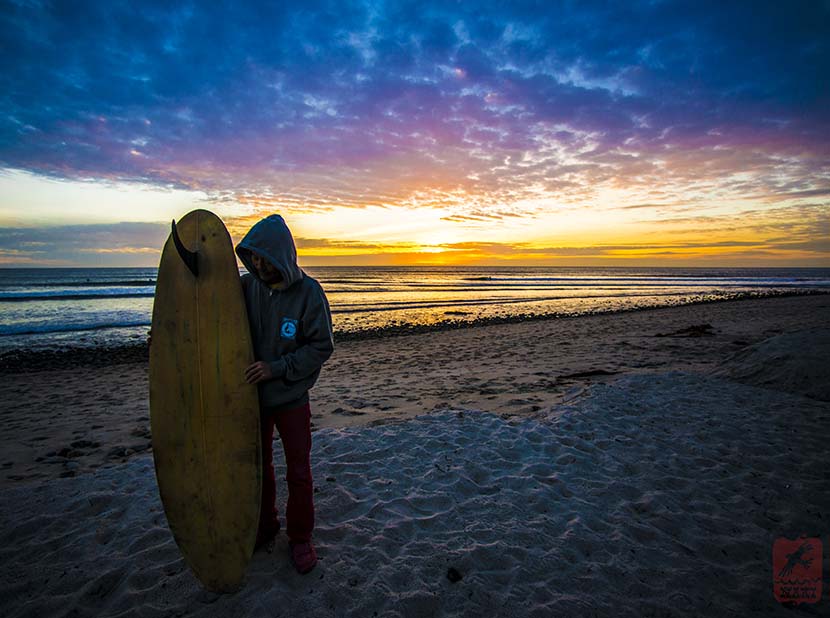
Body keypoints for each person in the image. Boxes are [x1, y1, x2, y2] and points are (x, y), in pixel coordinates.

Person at [235, 214, 334, 575]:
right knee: (257, 470)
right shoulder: (246, 288)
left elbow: (322, 346)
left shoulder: (309, 293)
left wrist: (277, 367)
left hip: (292, 398)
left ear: (281, 255)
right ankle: (265, 525)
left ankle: (300, 537)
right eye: (253, 258)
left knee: (299, 472)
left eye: (265, 258)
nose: (258, 266)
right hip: (251, 401)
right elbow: (207, 317)